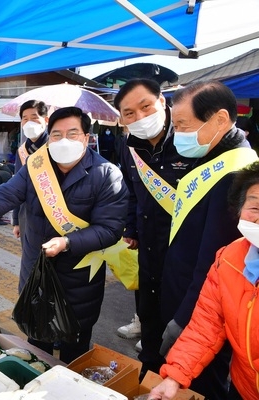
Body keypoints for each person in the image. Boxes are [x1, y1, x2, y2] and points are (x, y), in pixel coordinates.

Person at [0, 107, 129, 363]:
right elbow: (7, 193)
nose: (63, 141)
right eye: (56, 135)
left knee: (73, 351)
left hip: (77, 278)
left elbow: (110, 229)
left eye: (72, 134)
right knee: (37, 346)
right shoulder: (37, 166)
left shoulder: (106, 174)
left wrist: (68, 242)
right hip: (36, 270)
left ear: (87, 138)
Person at [158, 81, 258, 398]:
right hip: (199, 309)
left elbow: (212, 257)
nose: (178, 135)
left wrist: (182, 320)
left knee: (206, 385)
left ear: (219, 120)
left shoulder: (236, 172)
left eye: (183, 126)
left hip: (196, 309)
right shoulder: (210, 157)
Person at [149, 161, 259, 400]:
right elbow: (207, 324)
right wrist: (175, 375)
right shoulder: (229, 258)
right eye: (256, 207)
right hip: (244, 389)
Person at [113, 78, 195, 374]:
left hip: (185, 253)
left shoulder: (190, 137)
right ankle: (147, 373)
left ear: (163, 101)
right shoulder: (129, 147)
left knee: (181, 324)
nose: (140, 117)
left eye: (145, 106)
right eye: (129, 113)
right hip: (147, 248)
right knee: (149, 317)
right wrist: (132, 229)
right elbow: (133, 193)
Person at [12, 100, 49, 241]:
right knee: (29, 260)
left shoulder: (54, 147)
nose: (29, 123)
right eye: (25, 119)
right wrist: (16, 220)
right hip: (26, 216)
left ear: (45, 120)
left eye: (34, 118)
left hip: (52, 214)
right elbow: (16, 187)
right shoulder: (21, 151)